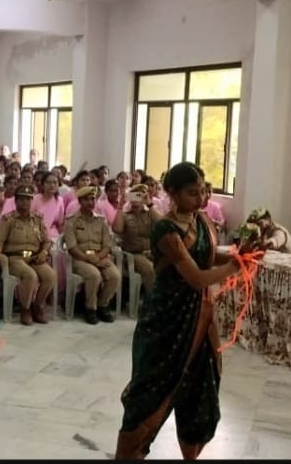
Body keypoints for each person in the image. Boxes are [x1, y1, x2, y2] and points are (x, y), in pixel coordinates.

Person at [116, 162, 245, 460]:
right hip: (167, 321)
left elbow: (208, 256)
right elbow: (196, 278)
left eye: (202, 192)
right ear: (172, 193)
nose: (200, 199)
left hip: (201, 319)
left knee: (200, 391)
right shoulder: (165, 228)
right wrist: (232, 267)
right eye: (192, 193)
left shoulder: (202, 221)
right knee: (151, 393)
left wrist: (242, 254)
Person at [0, 185, 55, 325]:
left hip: (35, 257)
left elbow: (47, 241)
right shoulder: (8, 219)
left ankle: (37, 306)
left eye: (28, 199)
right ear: (15, 201)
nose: (25, 202)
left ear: (32, 201)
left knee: (50, 275)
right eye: (21, 199)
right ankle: (25, 309)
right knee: (30, 275)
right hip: (15, 258)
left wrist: (44, 252)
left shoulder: (37, 219)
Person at [63, 186, 120, 324]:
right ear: (80, 201)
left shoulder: (101, 221)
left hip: (100, 257)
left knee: (115, 275)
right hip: (80, 259)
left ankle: (102, 305)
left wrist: (98, 257)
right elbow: (72, 248)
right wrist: (91, 259)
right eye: (86, 199)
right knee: (94, 275)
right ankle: (90, 309)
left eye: (92, 199)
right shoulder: (71, 221)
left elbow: (107, 246)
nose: (90, 202)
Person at [113, 184, 161, 293]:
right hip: (134, 254)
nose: (136, 198)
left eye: (140, 195)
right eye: (133, 195)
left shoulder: (150, 214)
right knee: (150, 269)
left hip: (152, 252)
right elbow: (117, 229)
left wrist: (149, 204)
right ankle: (152, 299)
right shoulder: (125, 215)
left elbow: (161, 224)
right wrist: (120, 206)